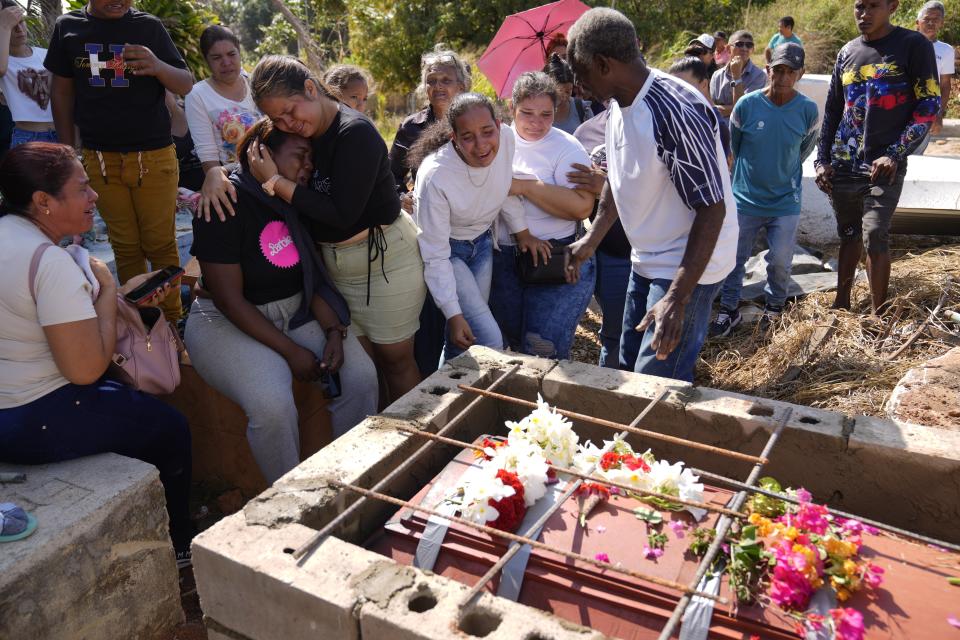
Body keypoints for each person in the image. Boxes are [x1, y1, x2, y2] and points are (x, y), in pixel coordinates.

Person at [0, 142, 193, 566]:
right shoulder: (49, 261)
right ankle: (182, 547)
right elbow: (86, 370)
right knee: (172, 429)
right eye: (83, 189)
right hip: (33, 416)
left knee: (132, 411)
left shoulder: (9, 236)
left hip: (9, 405)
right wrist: (107, 291)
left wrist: (123, 299)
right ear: (43, 202)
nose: (95, 197)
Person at [185, 120, 377, 483]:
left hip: (294, 307)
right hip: (224, 321)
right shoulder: (225, 199)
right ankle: (289, 498)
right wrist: (290, 351)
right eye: (300, 157)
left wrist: (334, 331)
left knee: (360, 376)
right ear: (262, 152)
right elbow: (228, 300)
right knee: (271, 402)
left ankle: (351, 481)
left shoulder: (292, 197)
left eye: (312, 161)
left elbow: (310, 277)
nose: (308, 168)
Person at [565, 8, 738, 383]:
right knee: (627, 370)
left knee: (657, 383)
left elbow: (712, 209)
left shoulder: (674, 111)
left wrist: (677, 298)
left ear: (604, 64)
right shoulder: (617, 106)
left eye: (581, 74)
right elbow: (618, 178)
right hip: (646, 258)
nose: (578, 87)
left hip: (690, 264)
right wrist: (591, 241)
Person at [246, 55, 425, 403]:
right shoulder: (305, 130)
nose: (287, 124)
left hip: (386, 263)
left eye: (290, 111)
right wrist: (213, 176)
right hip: (335, 271)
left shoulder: (354, 132)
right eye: (276, 119)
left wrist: (277, 183)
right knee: (364, 371)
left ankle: (420, 447)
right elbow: (250, 157)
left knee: (396, 362)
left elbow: (341, 214)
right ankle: (382, 449)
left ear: (311, 88)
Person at [45, 0, 194, 324]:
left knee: (160, 243)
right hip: (100, 161)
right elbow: (61, 93)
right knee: (125, 247)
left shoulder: (148, 28)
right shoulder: (68, 28)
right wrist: (69, 154)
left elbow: (185, 82)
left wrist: (157, 66)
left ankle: (172, 324)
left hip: (154, 158)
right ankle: (142, 325)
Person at [815, 0, 940, 314]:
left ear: (893, 6)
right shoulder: (847, 52)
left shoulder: (913, 45)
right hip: (842, 164)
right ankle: (841, 304)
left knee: (874, 234)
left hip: (883, 165)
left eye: (873, 6)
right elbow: (831, 111)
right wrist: (821, 160)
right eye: (859, 6)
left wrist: (895, 154)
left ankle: (878, 314)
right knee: (848, 235)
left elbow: (928, 107)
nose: (864, 13)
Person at [407, 93, 551, 363]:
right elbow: (434, 252)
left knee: (464, 339)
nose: (481, 145)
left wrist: (522, 232)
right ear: (454, 138)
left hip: (483, 244)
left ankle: (442, 397)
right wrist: (452, 313)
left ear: (498, 125)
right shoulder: (435, 174)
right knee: (489, 338)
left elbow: (502, 183)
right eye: (468, 137)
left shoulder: (506, 139)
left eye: (487, 132)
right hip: (450, 253)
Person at [710, 43, 819, 337]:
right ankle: (728, 309)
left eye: (790, 72)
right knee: (735, 259)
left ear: (800, 74)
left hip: (785, 200)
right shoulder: (747, 105)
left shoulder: (808, 110)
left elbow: (803, 151)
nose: (782, 77)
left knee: (781, 261)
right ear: (768, 70)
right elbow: (734, 148)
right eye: (778, 70)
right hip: (745, 198)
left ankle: (774, 308)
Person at [489, 72, 596, 360]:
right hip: (502, 257)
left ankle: (547, 404)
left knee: (542, 349)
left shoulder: (567, 147)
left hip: (554, 257)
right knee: (511, 344)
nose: (536, 123)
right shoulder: (495, 140)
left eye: (546, 114)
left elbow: (582, 207)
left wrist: (526, 187)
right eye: (527, 113)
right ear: (512, 108)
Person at [388, 45, 471, 378]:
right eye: (431, 80)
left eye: (446, 80)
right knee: (430, 316)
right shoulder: (411, 127)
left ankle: (463, 381)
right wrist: (400, 197)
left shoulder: (477, 120)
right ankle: (428, 385)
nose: (438, 87)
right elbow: (389, 180)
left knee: (468, 314)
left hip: (470, 234)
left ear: (462, 85)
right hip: (424, 236)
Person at [571, 108, 632, 369]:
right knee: (614, 335)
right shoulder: (585, 133)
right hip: (610, 253)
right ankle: (610, 397)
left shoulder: (655, 123)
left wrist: (607, 183)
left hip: (656, 252)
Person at [187, 25, 260, 222]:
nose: (226, 62)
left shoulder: (257, 83)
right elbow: (208, 157)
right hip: (238, 184)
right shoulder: (197, 95)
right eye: (217, 58)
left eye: (231, 54)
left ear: (239, 52)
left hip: (276, 174)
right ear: (206, 61)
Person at [0, 0, 56, 147]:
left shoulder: (46, 54)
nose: (19, 29)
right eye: (12, 26)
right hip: (28, 138)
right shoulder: (4, 62)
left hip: (59, 134)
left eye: (21, 22)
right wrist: (3, 25)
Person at [669, 56, 733, 166]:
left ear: (703, 84)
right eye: (673, 87)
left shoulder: (715, 124)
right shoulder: (673, 119)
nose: (677, 94)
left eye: (683, 88)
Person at [915, 1, 953, 144]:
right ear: (917, 22)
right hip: (899, 109)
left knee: (916, 157)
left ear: (941, 23)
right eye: (927, 19)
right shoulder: (903, 43)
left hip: (926, 112)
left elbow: (945, 85)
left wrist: (938, 114)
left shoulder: (946, 50)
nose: (931, 23)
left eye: (936, 19)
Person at [711, 30, 767, 118]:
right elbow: (712, 109)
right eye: (739, 44)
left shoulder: (760, 76)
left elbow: (743, 110)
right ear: (728, 49)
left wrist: (736, 75)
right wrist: (733, 108)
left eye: (749, 45)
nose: (744, 48)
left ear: (752, 50)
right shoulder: (716, 76)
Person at [543, 53, 592, 134]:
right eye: (560, 91)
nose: (564, 96)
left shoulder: (582, 109)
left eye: (568, 91)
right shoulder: (537, 111)